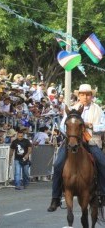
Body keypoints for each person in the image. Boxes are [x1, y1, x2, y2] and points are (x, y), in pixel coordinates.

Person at [47, 84, 105, 212]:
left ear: (92, 96)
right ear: (79, 95)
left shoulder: (98, 110)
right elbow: (62, 126)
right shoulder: (71, 109)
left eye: (88, 94)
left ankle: (102, 193)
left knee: (102, 163)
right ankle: (55, 198)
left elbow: (103, 126)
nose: (85, 97)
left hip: (91, 141)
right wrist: (71, 132)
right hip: (72, 141)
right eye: (83, 94)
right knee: (57, 165)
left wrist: (91, 126)